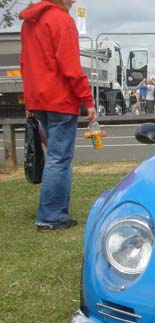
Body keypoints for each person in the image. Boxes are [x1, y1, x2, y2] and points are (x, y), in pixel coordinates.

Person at [19, 0, 96, 232]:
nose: (73, 1)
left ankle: (53, 213)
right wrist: (87, 100)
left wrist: (29, 99)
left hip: (39, 98)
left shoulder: (30, 22)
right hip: (60, 99)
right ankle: (51, 217)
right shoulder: (62, 21)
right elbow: (71, 65)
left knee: (54, 156)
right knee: (59, 158)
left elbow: (25, 63)